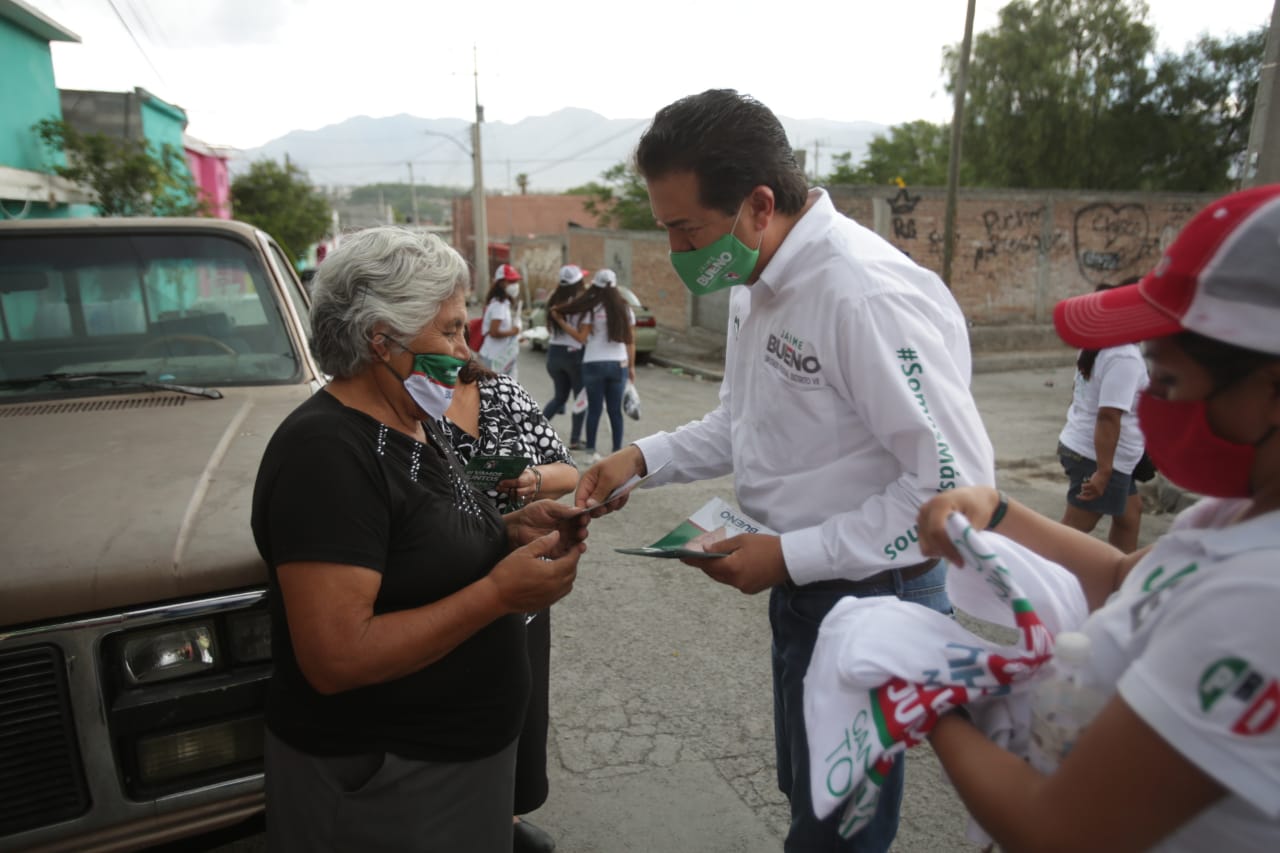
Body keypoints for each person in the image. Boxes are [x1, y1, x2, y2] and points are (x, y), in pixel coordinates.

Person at [575, 89, 995, 852]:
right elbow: (741, 423)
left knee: (839, 831)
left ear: (759, 205)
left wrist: (789, 555)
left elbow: (951, 486)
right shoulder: (759, 280)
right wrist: (640, 458)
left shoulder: (860, 293)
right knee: (809, 797)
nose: (676, 250)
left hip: (875, 590)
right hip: (808, 589)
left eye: (686, 229)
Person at [918, 184, 1280, 852]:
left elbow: (1058, 829)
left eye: (1166, 384)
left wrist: (924, 697)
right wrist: (997, 510)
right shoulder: (1233, 516)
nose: (1152, 408)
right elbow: (1120, 576)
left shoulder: (1261, 599)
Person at [250, 227, 586, 853]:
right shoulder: (325, 453)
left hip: (453, 769)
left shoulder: (412, 421)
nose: (465, 350)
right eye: (451, 330)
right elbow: (336, 657)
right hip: (388, 783)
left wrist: (509, 531)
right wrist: (498, 594)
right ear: (382, 339)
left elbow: (417, 544)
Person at [441, 357, 579, 853]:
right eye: (447, 329)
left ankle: (506, 814)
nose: (459, 345)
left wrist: (531, 479)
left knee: (517, 702)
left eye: (461, 330)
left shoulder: (501, 392)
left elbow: (567, 469)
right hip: (447, 588)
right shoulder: (409, 403)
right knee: (457, 712)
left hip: (521, 584)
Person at [1056, 277, 1148, 552]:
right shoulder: (1124, 356)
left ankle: (1122, 573)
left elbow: (1081, 392)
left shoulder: (1100, 342)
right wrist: (1104, 471)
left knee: (1130, 514)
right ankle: (1033, 574)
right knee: (1072, 532)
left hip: (1097, 452)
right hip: (1100, 459)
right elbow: (1108, 415)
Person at [552, 268, 635, 463]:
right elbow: (631, 341)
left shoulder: (592, 309)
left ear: (595, 286)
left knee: (594, 410)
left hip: (592, 363)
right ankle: (616, 453)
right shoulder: (626, 309)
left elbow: (581, 338)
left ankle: (591, 452)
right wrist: (631, 367)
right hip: (618, 363)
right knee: (615, 411)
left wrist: (561, 322)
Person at [542, 263, 588, 449]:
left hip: (554, 353)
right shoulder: (580, 303)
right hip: (574, 354)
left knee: (559, 397)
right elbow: (581, 336)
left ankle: (534, 431)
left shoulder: (553, 301)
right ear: (578, 282)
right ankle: (575, 439)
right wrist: (563, 322)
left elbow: (549, 329)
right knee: (580, 398)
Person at [479, 263, 524, 378]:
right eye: (511, 281)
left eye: (516, 281)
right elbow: (494, 332)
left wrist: (515, 337)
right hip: (494, 358)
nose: (515, 285)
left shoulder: (501, 303)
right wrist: (514, 331)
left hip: (498, 357)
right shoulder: (498, 305)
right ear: (501, 283)